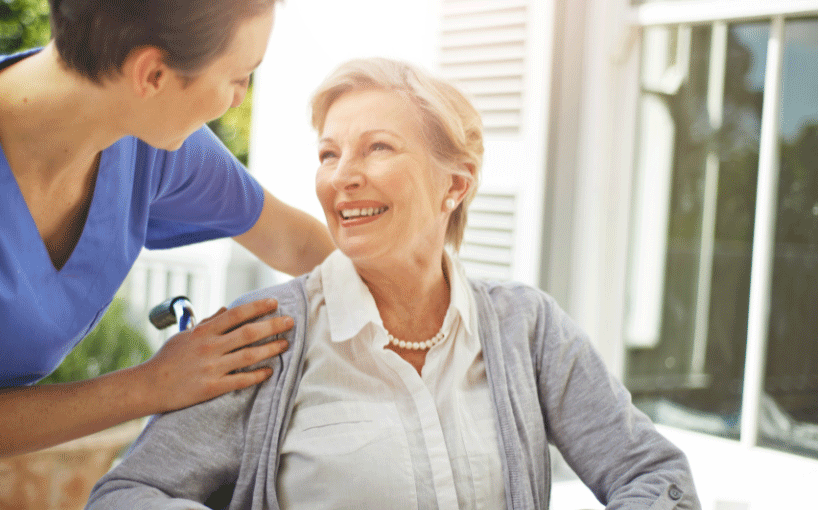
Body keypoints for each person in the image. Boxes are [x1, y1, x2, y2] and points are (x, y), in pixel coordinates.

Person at [85, 58, 701, 509]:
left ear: (454, 186)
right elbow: (125, 495)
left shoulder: (527, 327)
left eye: (377, 148)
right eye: (329, 155)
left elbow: (654, 475)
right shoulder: (268, 332)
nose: (341, 178)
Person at [0, 0, 335, 466]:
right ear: (152, 75)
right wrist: (150, 386)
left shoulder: (146, 143)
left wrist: (439, 319)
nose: (239, 98)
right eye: (239, 77)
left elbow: (296, 243)